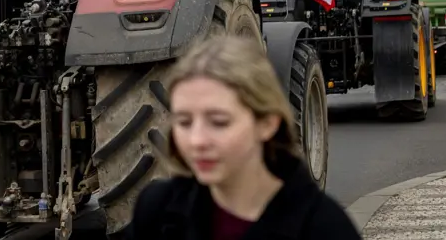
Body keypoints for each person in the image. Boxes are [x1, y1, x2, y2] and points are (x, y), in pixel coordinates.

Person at [127, 34, 360, 240]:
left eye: (219, 122)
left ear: (267, 123)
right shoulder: (155, 210)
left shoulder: (325, 228)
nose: (197, 140)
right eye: (184, 122)